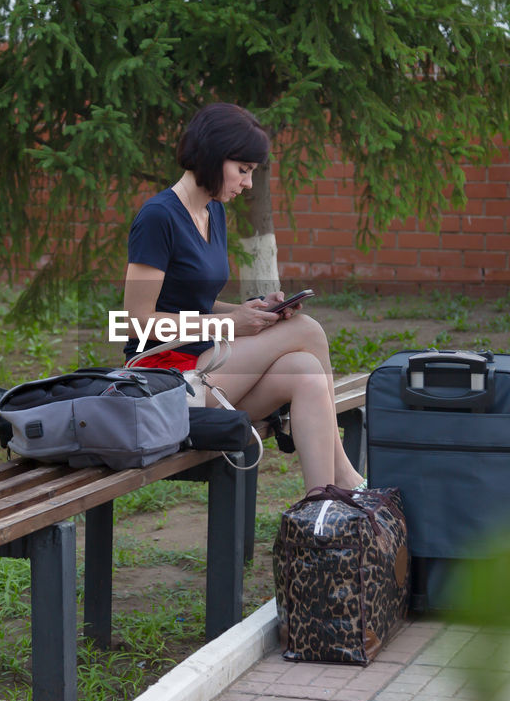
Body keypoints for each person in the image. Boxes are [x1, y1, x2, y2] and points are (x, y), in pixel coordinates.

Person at [121, 102, 365, 491]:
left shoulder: (212, 212)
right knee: (308, 330)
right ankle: (350, 480)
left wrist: (251, 312)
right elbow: (134, 320)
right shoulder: (158, 218)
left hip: (209, 371)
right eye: (243, 170)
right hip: (166, 383)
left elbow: (193, 303)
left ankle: (324, 504)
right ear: (214, 156)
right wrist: (228, 324)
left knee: (305, 371)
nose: (248, 183)